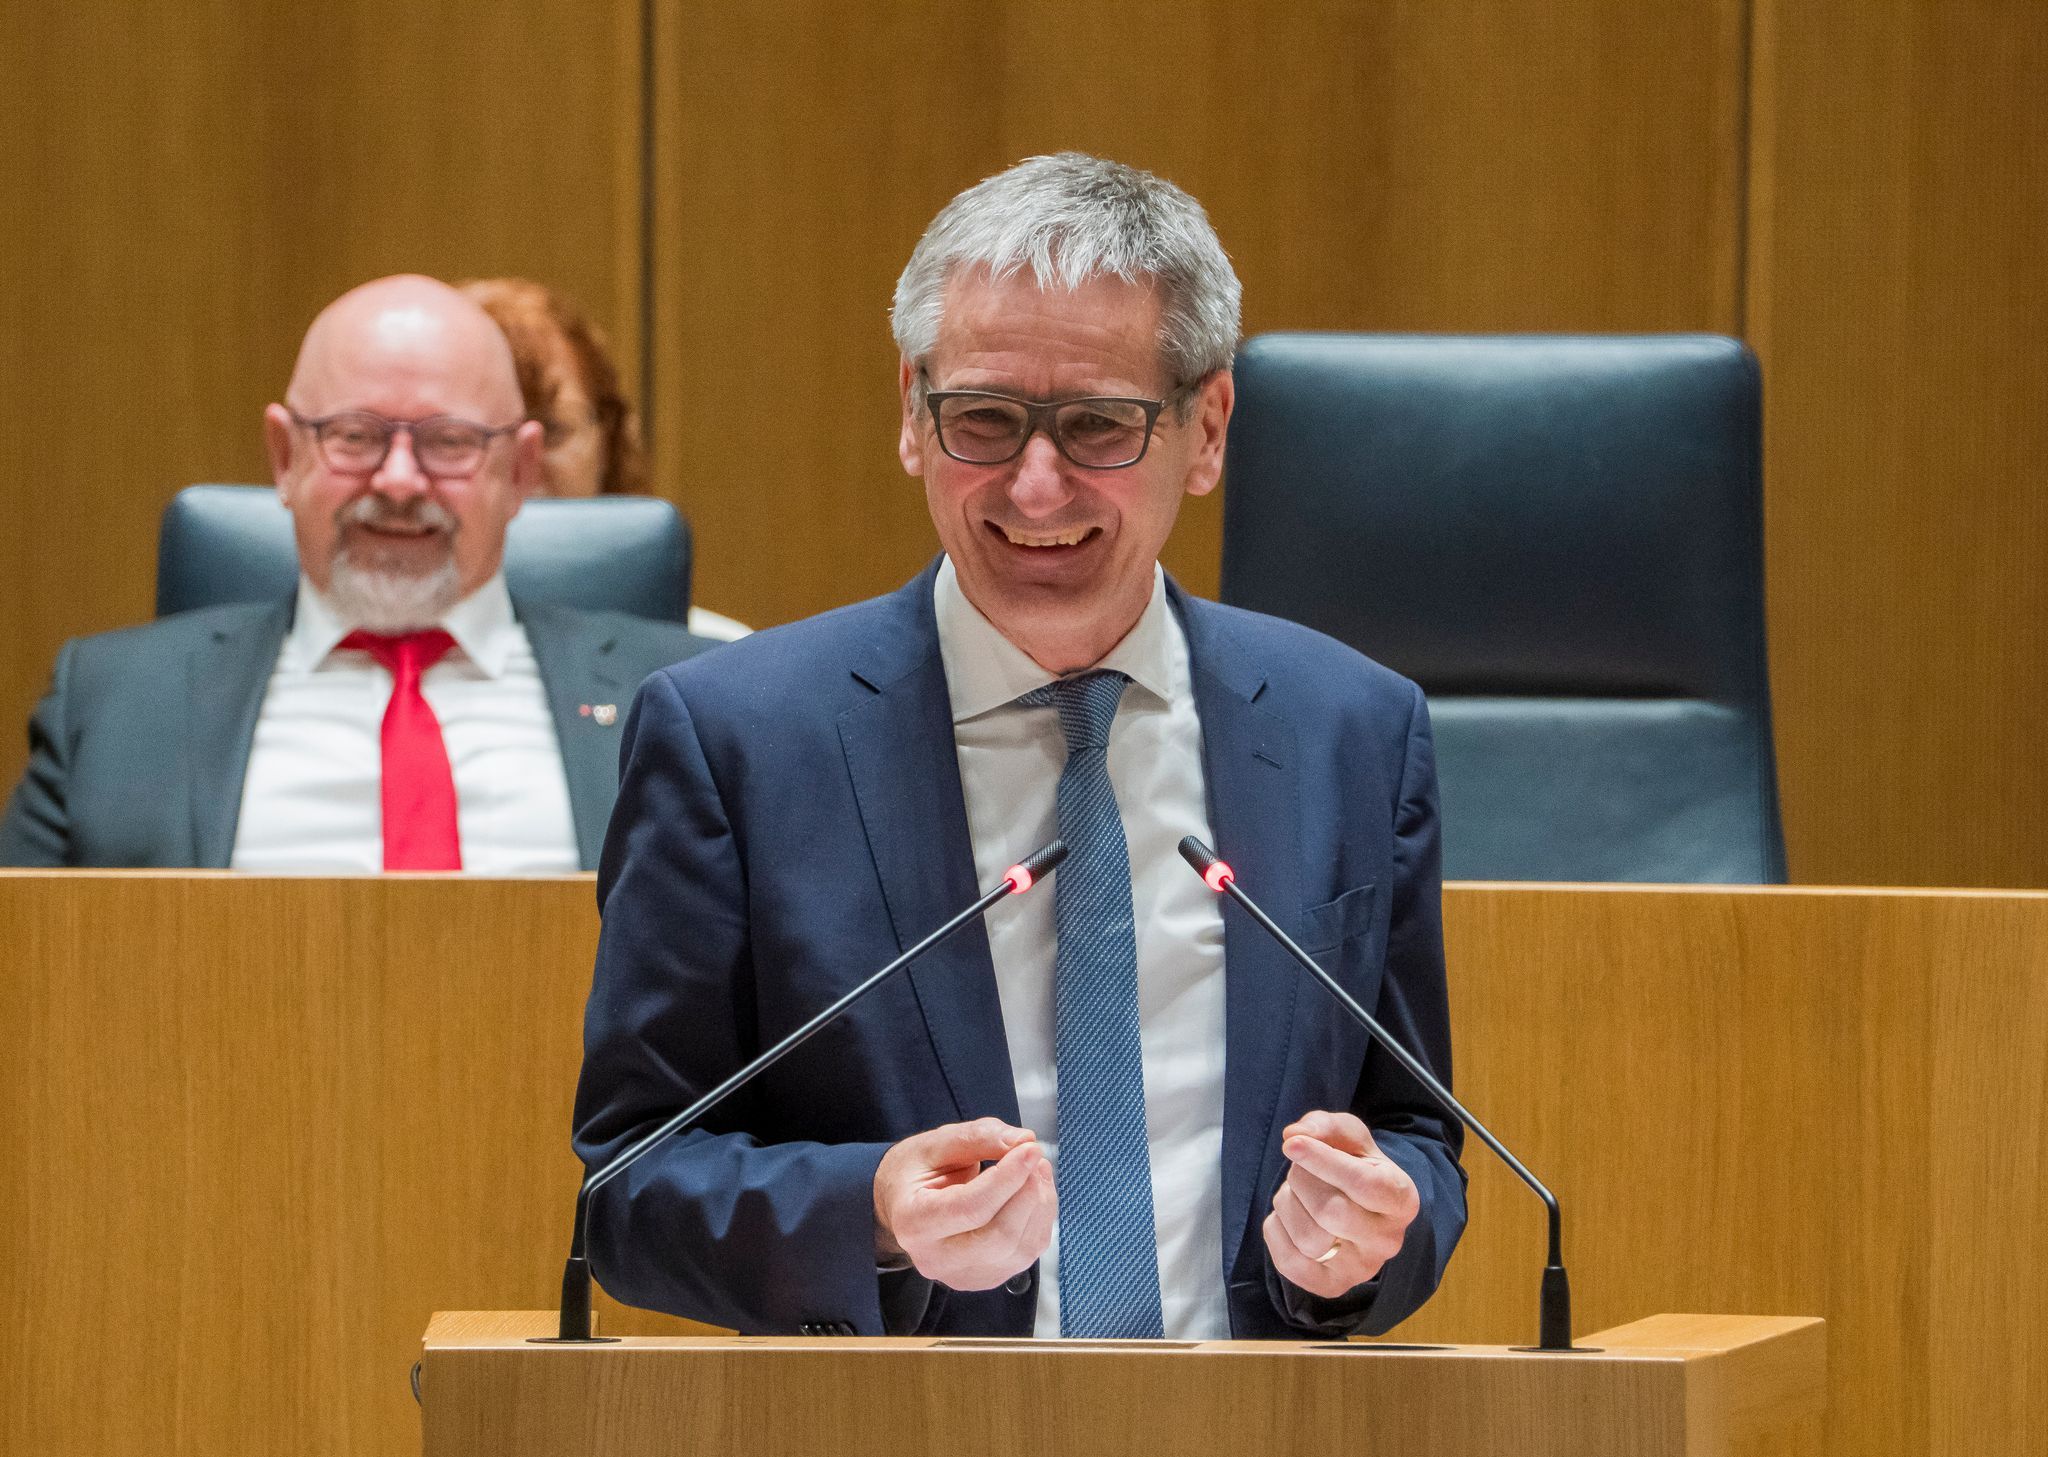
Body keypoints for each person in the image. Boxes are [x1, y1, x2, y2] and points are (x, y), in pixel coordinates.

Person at [572, 155, 1466, 1340]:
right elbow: (629, 1180)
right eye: (984, 419)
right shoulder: (736, 739)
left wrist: (1359, 1240)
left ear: (1205, 429)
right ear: (911, 413)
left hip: (1252, 1413)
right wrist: (869, 1211)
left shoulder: (1348, 729)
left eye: (1097, 424)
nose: (1035, 488)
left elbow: (1415, 1135)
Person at [0, 275, 719, 872]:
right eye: (354, 436)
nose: (399, 480)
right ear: (285, 457)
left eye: (449, 442)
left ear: (522, 470)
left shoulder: (688, 698)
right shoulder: (110, 705)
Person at [459, 276, 751, 642]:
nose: (524, 465)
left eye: (553, 431)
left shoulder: (712, 654)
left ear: (609, 440)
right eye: (467, 437)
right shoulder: (401, 661)